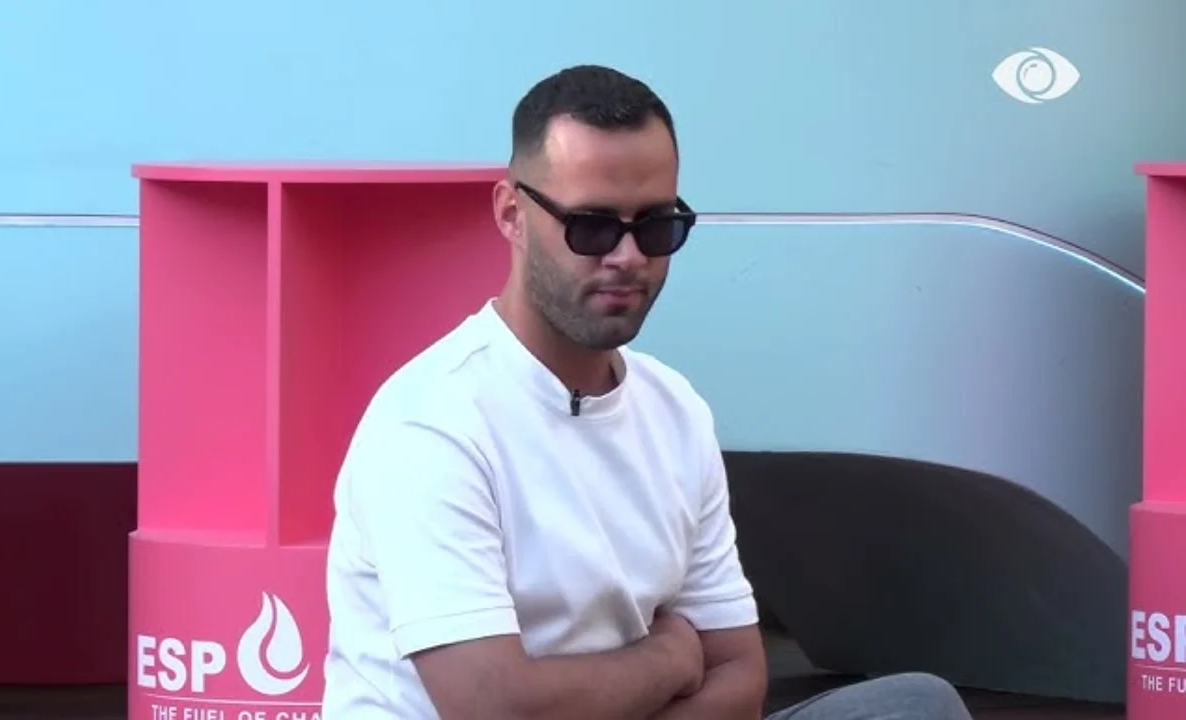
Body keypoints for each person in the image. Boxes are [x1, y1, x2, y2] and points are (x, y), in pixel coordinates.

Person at [323, 64, 974, 720]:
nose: (628, 257)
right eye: (593, 227)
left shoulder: (675, 410)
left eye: (657, 226)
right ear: (512, 215)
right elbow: (493, 708)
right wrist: (668, 659)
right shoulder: (432, 423)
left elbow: (740, 675)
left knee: (918, 705)